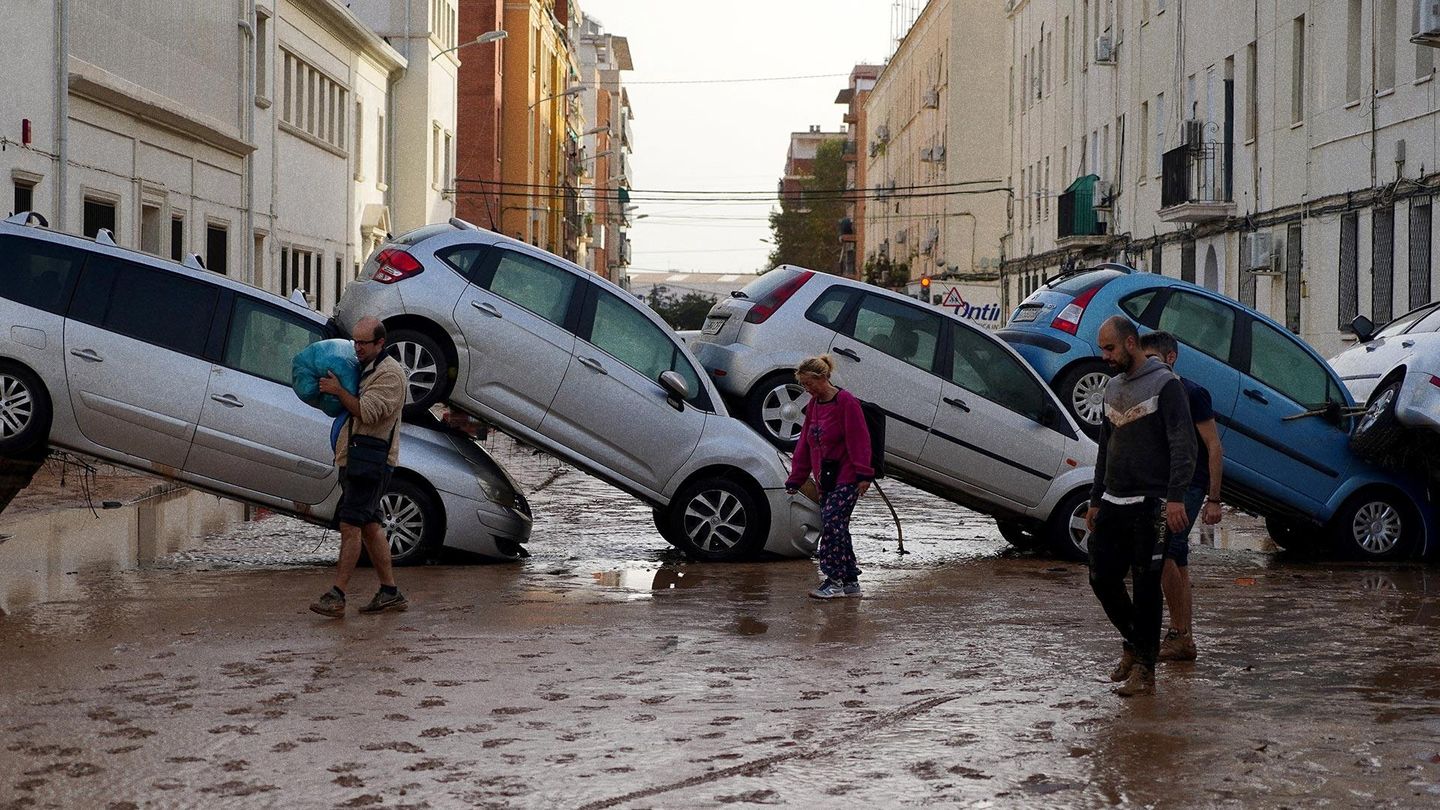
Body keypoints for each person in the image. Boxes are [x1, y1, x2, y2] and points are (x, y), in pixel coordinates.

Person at [1085, 316, 1196, 697]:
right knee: (1101, 577)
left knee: (1148, 585)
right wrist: (1095, 499)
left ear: (1130, 343)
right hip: (1114, 501)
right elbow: (1105, 448)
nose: (1104, 356)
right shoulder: (1112, 388)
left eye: (1110, 348)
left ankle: (1145, 671)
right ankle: (1136, 644)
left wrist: (1176, 497)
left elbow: (1185, 445)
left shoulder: (1167, 385)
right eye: (1102, 349)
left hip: (1153, 503)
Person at [309, 316, 409, 617]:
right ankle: (390, 591)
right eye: (355, 341)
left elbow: (367, 412)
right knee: (370, 525)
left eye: (363, 343)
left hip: (371, 463)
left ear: (381, 343)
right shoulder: (365, 367)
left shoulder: (390, 376)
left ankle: (337, 595)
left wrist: (339, 391)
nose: (357, 348)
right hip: (356, 459)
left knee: (350, 524)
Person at [1140, 331, 1224, 663]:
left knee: (1164, 556)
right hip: (1163, 486)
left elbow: (1214, 447)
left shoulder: (1193, 393)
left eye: (1153, 360)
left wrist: (1213, 499)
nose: (1147, 367)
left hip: (1189, 485)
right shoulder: (1149, 392)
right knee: (1178, 560)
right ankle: (1184, 638)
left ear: (1170, 357)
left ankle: (1178, 634)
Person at [784, 355, 873, 600]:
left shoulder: (846, 402)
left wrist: (864, 474)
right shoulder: (813, 405)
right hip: (826, 480)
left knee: (832, 524)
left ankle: (833, 579)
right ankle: (850, 581)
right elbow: (804, 443)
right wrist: (796, 477)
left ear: (823, 378)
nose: (807, 389)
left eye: (809, 384)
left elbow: (859, 439)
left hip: (847, 476)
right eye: (803, 385)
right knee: (838, 527)